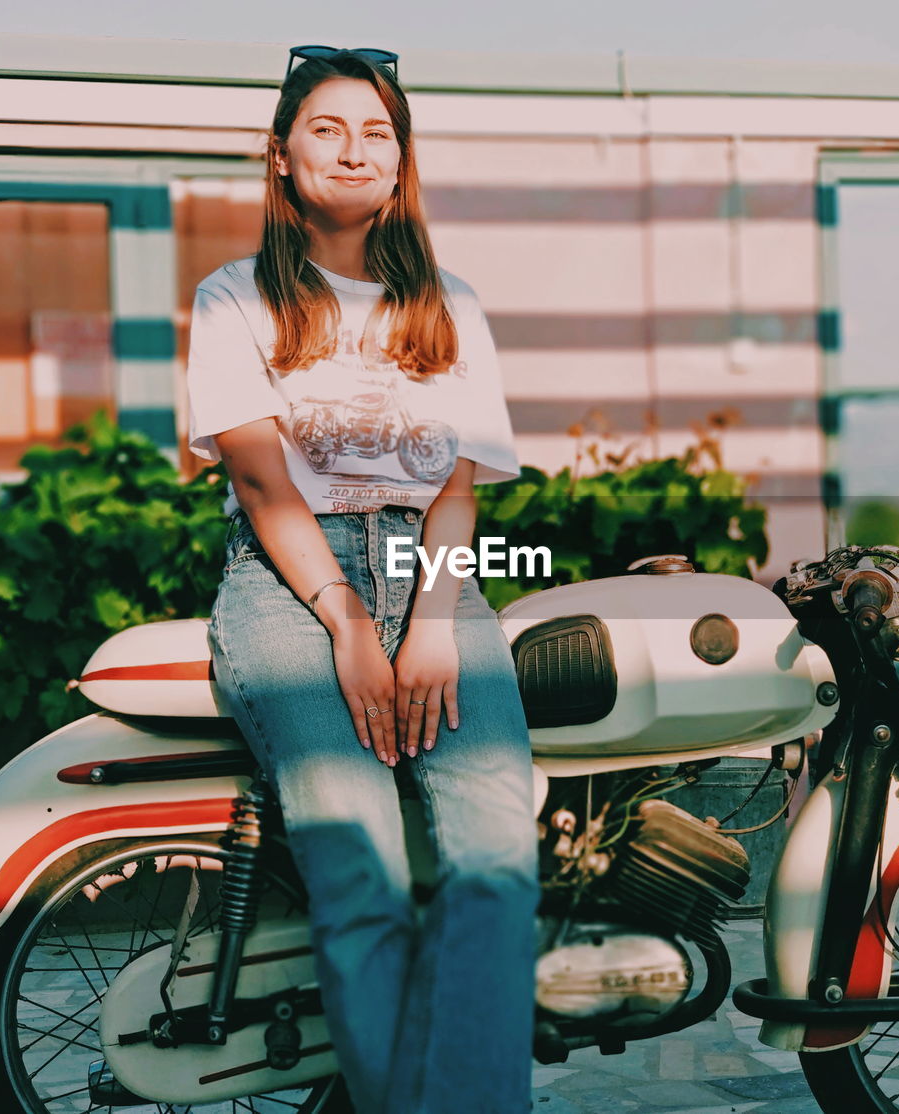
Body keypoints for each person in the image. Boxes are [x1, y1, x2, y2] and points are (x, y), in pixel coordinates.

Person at [184, 46, 538, 1114]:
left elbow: (459, 491)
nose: (353, 148)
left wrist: (430, 615)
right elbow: (260, 481)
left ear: (401, 162)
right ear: (282, 158)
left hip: (432, 574)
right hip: (291, 586)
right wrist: (345, 620)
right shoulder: (233, 295)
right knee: (362, 873)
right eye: (326, 128)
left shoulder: (450, 304)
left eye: (376, 130)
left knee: (494, 860)